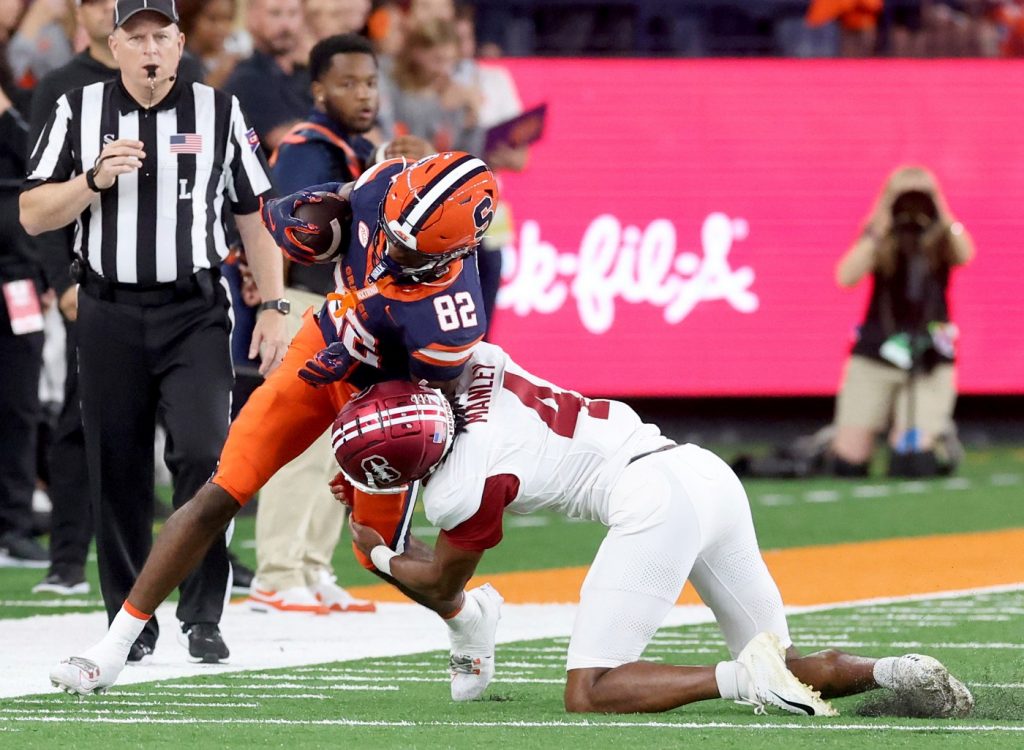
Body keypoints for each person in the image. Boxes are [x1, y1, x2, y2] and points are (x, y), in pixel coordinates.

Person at [47, 150, 499, 695]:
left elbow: (436, 410)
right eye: (393, 231)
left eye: (410, 247)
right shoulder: (383, 186)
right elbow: (323, 213)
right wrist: (314, 226)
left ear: (456, 249)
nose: (392, 247)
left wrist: (370, 450)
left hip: (383, 395)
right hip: (321, 350)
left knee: (377, 549)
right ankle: (113, 648)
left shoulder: (454, 316)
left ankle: (468, 616)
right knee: (222, 490)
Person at [335, 346, 975, 718]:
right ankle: (894, 670)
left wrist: (378, 551)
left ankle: (739, 681)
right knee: (780, 659)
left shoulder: (460, 486)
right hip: (704, 473)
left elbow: (443, 580)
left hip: (654, 501)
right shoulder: (477, 359)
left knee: (591, 692)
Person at [21, 0, 288, 664]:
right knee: (118, 467)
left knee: (205, 455)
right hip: (109, 310)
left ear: (178, 45)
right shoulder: (77, 110)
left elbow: (253, 214)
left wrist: (276, 308)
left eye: (160, 36)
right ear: (112, 45)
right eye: (134, 37)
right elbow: (32, 212)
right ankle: (130, 620)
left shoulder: (218, 110)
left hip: (193, 309)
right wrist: (92, 180)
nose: (148, 49)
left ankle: (202, 611)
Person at [247, 33, 427, 614]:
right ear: (318, 89)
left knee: (339, 445)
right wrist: (378, 177)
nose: (363, 94)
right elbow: (304, 227)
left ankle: (310, 563)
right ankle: (275, 571)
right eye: (347, 83)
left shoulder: (358, 145)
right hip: (309, 302)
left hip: (349, 309)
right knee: (302, 443)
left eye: (370, 82)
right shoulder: (307, 144)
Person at [829, 166, 974, 477]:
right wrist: (882, 220)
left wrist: (940, 210)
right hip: (877, 351)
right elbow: (845, 276)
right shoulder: (880, 238)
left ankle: (935, 437)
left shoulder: (943, 238)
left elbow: (966, 254)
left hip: (929, 357)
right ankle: (842, 436)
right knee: (848, 464)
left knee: (911, 461)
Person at [0, 38, 47, 568]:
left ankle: (14, 521)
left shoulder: (18, 116)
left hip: (18, 282)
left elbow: (39, 171)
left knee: (18, 401)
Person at [225, 0, 311, 155]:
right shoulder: (246, 79)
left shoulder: (306, 74)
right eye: (275, 13)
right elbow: (288, 140)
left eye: (293, 13)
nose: (286, 25)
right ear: (252, 17)